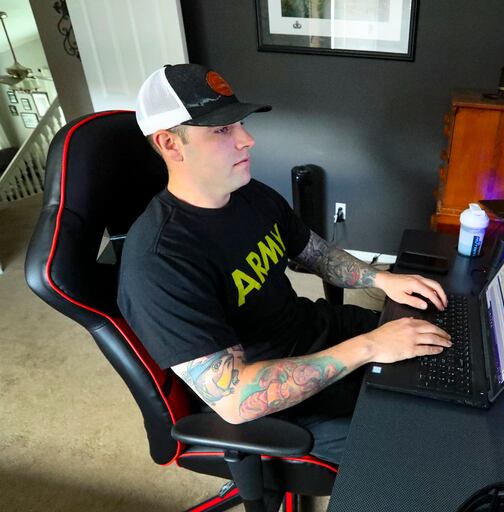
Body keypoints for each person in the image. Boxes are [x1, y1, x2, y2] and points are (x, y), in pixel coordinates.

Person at [117, 63, 452, 464]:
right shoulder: (159, 261)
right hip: (277, 405)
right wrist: (369, 348)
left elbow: (314, 252)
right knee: (430, 449)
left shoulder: (248, 193)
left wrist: (382, 279)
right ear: (171, 144)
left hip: (316, 332)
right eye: (222, 130)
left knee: (444, 351)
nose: (248, 140)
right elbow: (235, 399)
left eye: (239, 123)